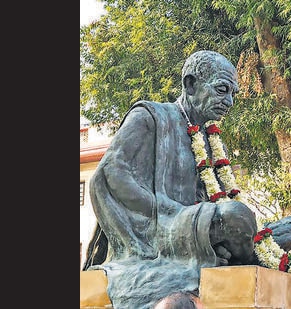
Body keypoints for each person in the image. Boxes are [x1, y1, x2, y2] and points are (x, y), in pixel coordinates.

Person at [83, 50, 258, 308]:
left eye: (233, 93)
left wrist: (208, 237)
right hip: (157, 231)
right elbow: (110, 175)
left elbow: (209, 199)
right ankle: (247, 253)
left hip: (195, 230)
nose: (230, 101)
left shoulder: (210, 141)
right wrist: (171, 215)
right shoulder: (149, 117)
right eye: (222, 90)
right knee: (237, 217)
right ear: (191, 84)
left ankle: (245, 252)